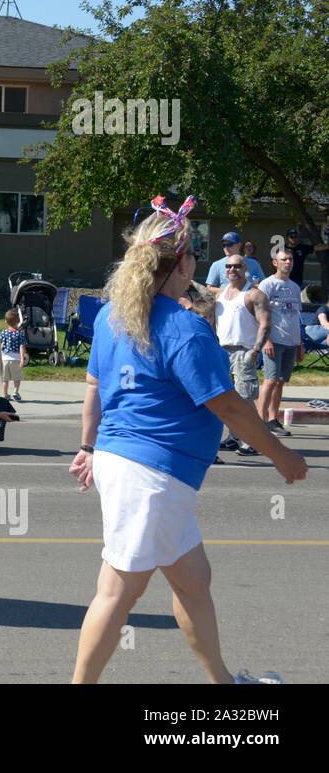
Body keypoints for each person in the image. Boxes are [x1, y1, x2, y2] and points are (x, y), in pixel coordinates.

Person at [67, 194, 307, 684]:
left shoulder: (115, 320)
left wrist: (90, 448)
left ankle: (223, 683)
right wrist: (281, 454)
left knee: (194, 582)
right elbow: (230, 407)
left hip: (136, 468)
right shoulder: (183, 328)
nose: (199, 261)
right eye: (195, 252)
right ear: (182, 262)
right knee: (116, 592)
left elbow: (97, 390)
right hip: (150, 476)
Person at [214, 254, 271, 456]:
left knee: (245, 398)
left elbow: (265, 323)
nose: (232, 269)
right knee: (228, 399)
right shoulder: (221, 295)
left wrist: (256, 349)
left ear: (245, 268)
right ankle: (234, 437)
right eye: (228, 266)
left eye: (237, 266)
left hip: (243, 351)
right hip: (222, 351)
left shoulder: (254, 294)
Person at [256, 250, 302, 436]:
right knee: (270, 380)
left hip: (291, 340)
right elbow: (261, 314)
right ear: (275, 262)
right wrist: (266, 340)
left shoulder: (295, 287)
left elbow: (296, 316)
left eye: (290, 259)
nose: (288, 262)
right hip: (274, 340)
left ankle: (273, 419)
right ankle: (260, 421)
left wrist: (300, 344)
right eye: (284, 259)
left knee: (280, 382)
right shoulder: (267, 284)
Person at [0, 308, 28, 401]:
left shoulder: (3, 333)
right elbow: (22, 347)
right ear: (18, 322)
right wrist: (23, 359)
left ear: (6, 322)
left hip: (4, 359)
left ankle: (4, 394)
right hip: (16, 359)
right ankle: (15, 391)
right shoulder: (20, 334)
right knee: (17, 377)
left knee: (5, 379)